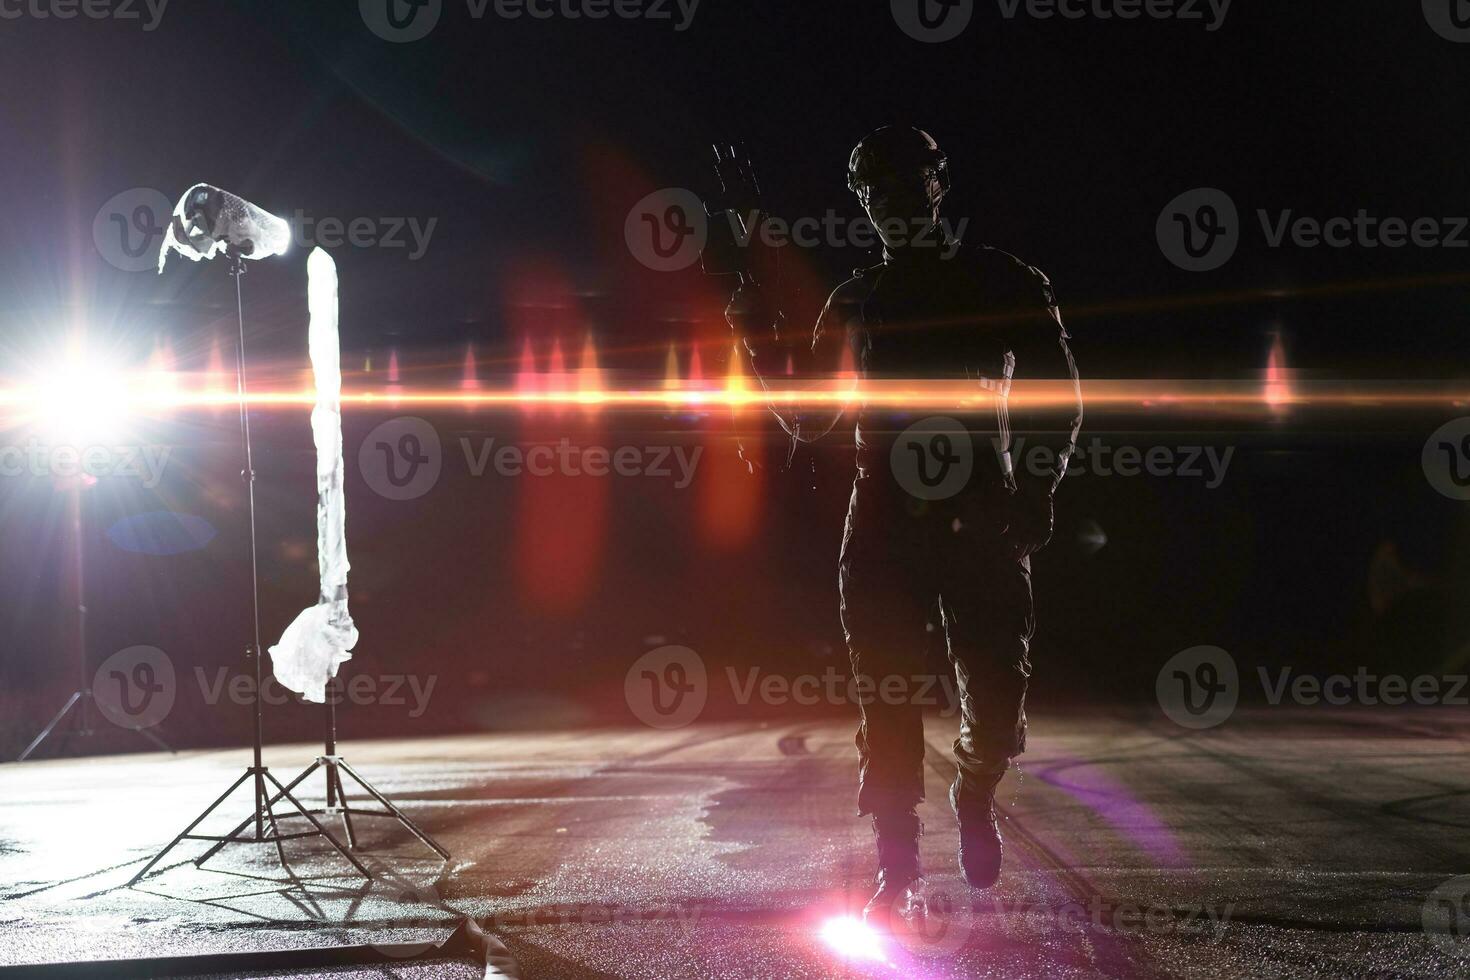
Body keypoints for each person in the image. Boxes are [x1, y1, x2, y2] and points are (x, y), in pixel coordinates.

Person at [724, 126, 1083, 927]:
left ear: (938, 183)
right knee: (885, 703)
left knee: (995, 700)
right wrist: (754, 329)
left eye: (904, 185)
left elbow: (1060, 396)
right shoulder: (854, 301)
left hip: (985, 520)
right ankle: (898, 864)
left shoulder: (1003, 281)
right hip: (885, 530)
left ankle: (975, 786)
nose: (890, 205)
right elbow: (810, 422)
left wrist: (1037, 490)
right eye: (872, 193)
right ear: (862, 204)